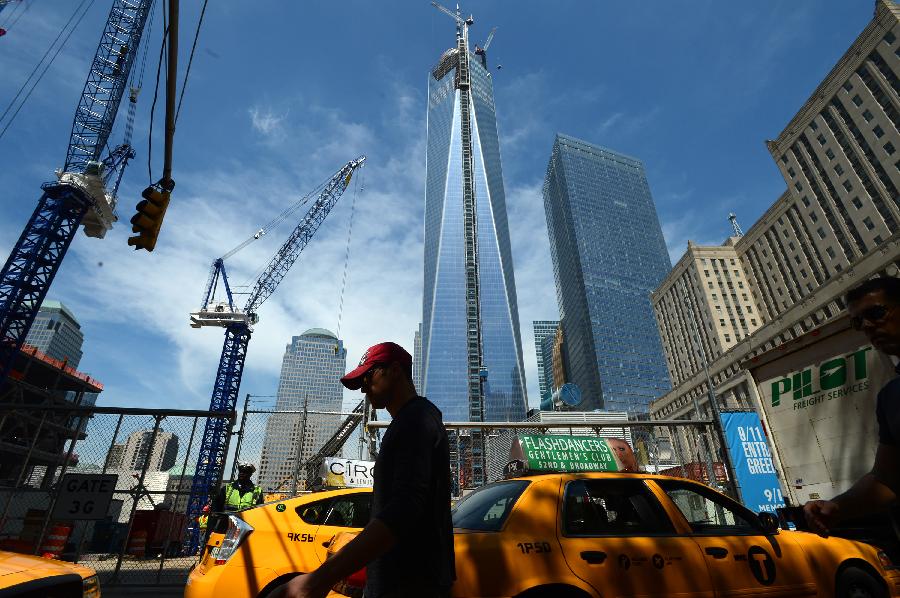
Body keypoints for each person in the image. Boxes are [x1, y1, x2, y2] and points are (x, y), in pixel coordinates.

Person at [273, 341, 454, 598]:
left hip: (408, 585)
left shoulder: (415, 421)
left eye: (367, 376)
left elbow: (404, 509)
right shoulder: (413, 419)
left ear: (394, 370)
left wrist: (316, 581)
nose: (363, 389)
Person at [804, 277, 900, 534]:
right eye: (858, 322)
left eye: (876, 313)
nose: (867, 326)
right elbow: (886, 480)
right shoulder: (891, 398)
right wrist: (837, 507)